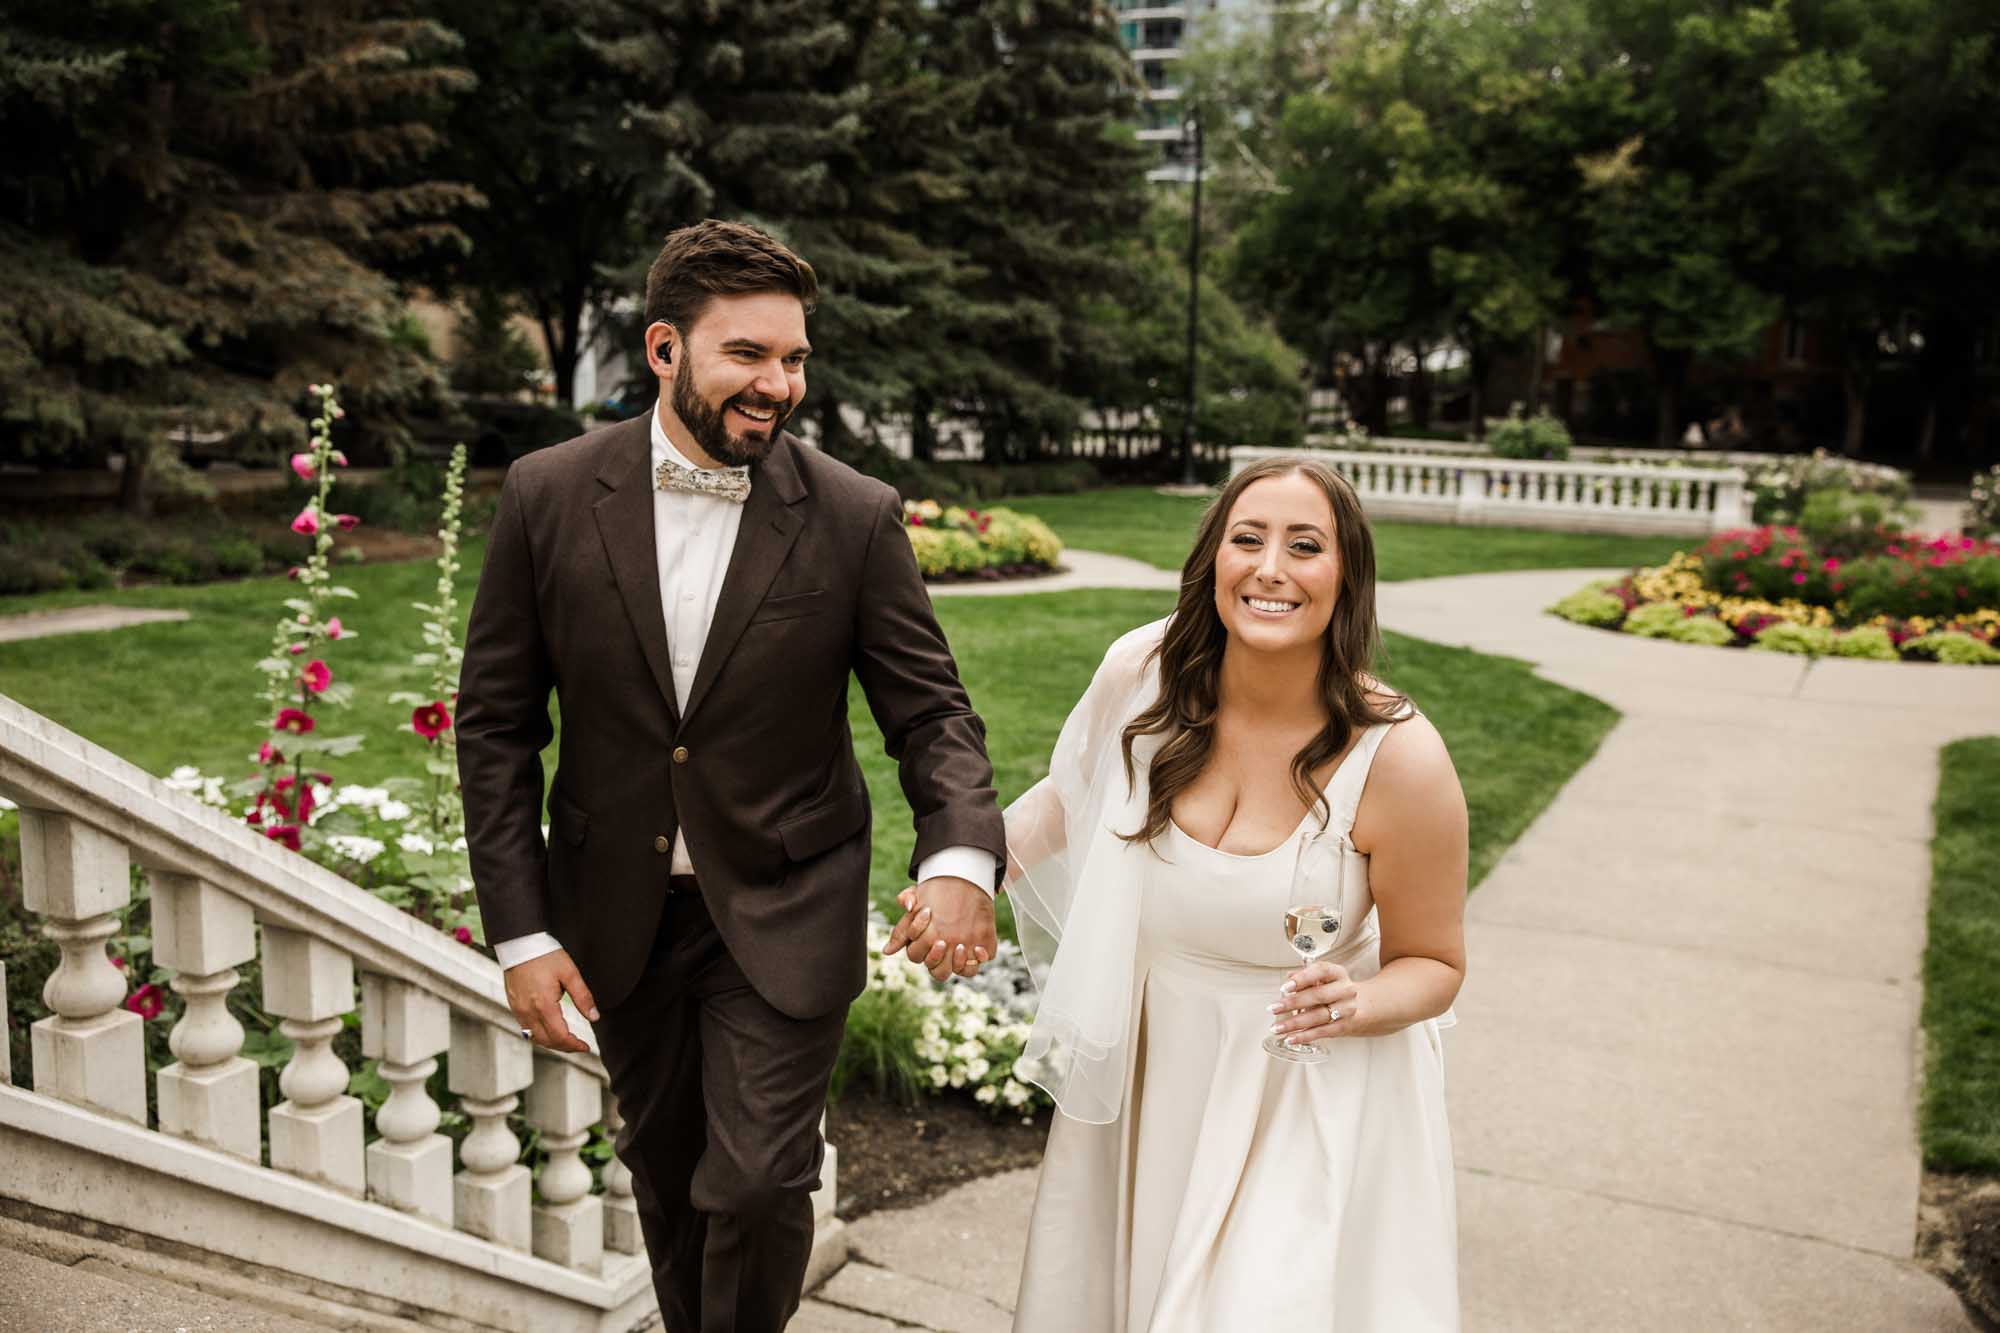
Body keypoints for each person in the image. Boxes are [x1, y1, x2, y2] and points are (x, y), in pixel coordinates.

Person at [457, 218, 1005, 1333]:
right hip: (617, 915)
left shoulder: (852, 516)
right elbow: (496, 725)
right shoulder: (546, 495)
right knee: (668, 1183)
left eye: (794, 357)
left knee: (755, 1182)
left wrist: (959, 856)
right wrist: (521, 931)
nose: (779, 383)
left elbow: (930, 711)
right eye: (747, 355)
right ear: (664, 350)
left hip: (784, 903)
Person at [892, 456, 1467, 1329]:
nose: (1270, 567)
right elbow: (1066, 797)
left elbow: (1435, 961)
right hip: (1158, 1072)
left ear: (1346, 577)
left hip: (1305, 1093)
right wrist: (964, 871)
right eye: (1249, 538)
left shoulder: (1399, 759)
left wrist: (1357, 999)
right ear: (1213, 561)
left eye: (1304, 546)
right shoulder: (1144, 673)